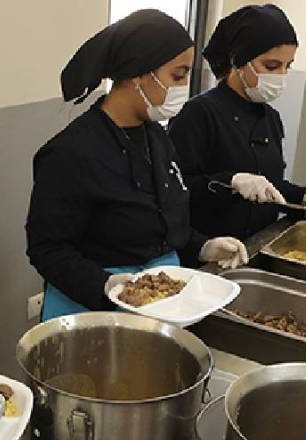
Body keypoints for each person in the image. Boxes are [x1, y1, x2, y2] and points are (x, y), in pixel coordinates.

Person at [26, 9, 249, 322]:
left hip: (161, 303)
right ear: (137, 74)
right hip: (89, 312)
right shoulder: (71, 152)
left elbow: (163, 221)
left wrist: (203, 247)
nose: (185, 85)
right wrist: (103, 285)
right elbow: (47, 249)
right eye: (178, 75)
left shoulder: (156, 137)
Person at [168, 4, 306, 240]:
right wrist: (230, 182)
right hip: (208, 249)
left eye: (287, 66)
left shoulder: (270, 118)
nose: (280, 75)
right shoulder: (198, 114)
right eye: (271, 66)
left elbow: (271, 187)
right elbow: (177, 189)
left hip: (257, 243)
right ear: (238, 62)